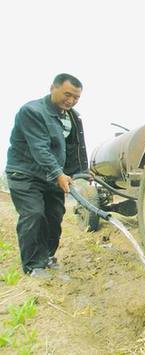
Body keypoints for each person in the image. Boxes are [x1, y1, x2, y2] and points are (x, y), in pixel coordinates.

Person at [6, 73, 88, 279]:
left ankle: (47, 257)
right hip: (25, 173)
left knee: (54, 216)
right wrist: (58, 173)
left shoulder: (72, 117)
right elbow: (40, 148)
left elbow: (73, 148)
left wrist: (81, 173)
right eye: (67, 94)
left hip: (52, 176)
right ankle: (33, 265)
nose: (71, 100)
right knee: (33, 214)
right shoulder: (32, 111)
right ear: (53, 87)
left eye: (76, 97)